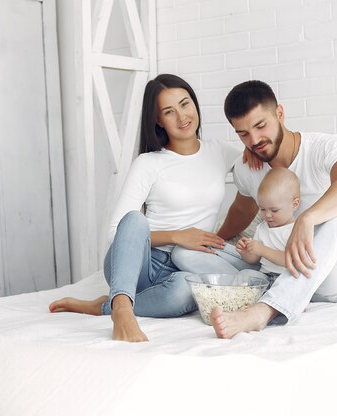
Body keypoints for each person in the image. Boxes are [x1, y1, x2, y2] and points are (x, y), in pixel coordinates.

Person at [49, 74, 245, 343]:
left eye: (185, 104)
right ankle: (122, 309)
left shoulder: (219, 152)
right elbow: (117, 232)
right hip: (138, 263)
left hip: (181, 268)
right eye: (169, 112)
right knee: (134, 220)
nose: (182, 116)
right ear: (158, 120)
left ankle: (108, 305)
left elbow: (261, 173)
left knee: (186, 292)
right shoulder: (149, 163)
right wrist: (177, 235)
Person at [211, 80, 337, 339]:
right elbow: (242, 211)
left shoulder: (326, 147)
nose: (254, 140)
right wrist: (217, 241)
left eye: (260, 126)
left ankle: (262, 312)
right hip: (280, 273)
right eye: (243, 134)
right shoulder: (248, 167)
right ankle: (270, 296)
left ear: (280, 114)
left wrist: (306, 220)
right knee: (188, 255)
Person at [236, 167, 300, 280]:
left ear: (294, 204)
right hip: (265, 276)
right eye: (263, 209)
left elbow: (291, 260)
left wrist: (261, 249)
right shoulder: (262, 228)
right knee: (244, 275)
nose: (268, 215)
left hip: (287, 278)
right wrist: (246, 252)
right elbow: (254, 259)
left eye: (274, 210)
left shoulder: (296, 229)